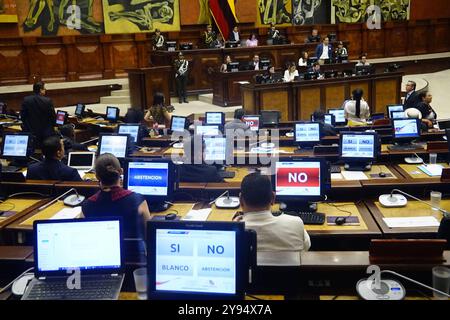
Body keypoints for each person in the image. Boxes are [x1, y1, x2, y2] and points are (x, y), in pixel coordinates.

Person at [81, 153, 151, 255]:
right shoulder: (138, 201)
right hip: (133, 258)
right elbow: (149, 236)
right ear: (121, 171)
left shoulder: (87, 205)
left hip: (102, 259)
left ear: (96, 176)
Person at [234, 173, 311, 265]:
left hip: (252, 279)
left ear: (241, 200)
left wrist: (234, 225)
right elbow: (306, 247)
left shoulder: (234, 233)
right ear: (273, 198)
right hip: (290, 279)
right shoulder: (296, 223)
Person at [20, 82, 56, 147]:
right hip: (45, 136)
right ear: (40, 90)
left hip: (30, 134)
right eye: (44, 88)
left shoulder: (26, 100)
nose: (45, 90)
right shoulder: (48, 101)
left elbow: (22, 116)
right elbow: (53, 118)